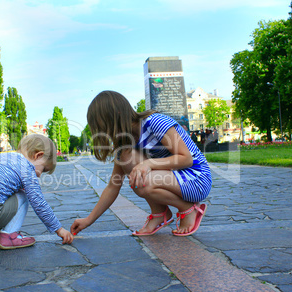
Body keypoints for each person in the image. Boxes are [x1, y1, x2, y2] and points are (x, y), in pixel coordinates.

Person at [71, 91, 212, 237]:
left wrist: (149, 164)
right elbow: (113, 185)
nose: (106, 133)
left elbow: (186, 159)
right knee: (126, 156)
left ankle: (188, 209)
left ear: (118, 115)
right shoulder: (125, 143)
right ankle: (159, 213)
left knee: (143, 180)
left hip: (197, 179)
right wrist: (88, 220)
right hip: (175, 180)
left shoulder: (155, 122)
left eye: (105, 127)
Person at [0, 134, 74, 249]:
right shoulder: (26, 168)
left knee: (0, 194)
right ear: (38, 156)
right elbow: (39, 203)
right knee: (23, 195)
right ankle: (10, 237)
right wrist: (58, 229)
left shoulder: (2, 157)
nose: (39, 176)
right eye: (43, 169)